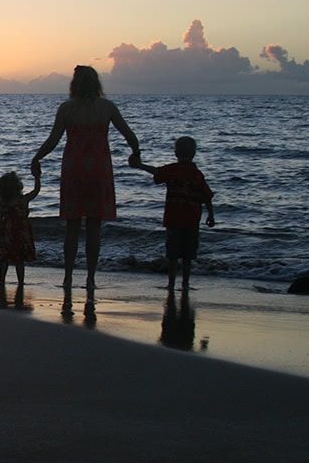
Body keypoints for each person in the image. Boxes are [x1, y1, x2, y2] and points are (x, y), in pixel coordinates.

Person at [31, 65, 139, 304]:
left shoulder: (67, 109)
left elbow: (53, 140)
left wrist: (37, 157)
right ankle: (90, 278)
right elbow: (129, 135)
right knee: (94, 228)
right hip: (99, 170)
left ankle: (68, 277)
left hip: (74, 169)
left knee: (71, 227)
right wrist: (136, 154)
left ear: (74, 84)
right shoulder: (107, 108)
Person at [130, 136, 215, 291]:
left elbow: (156, 171)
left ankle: (171, 283)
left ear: (176, 153)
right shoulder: (197, 174)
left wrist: (139, 165)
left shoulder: (172, 170)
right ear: (194, 153)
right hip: (191, 221)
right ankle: (186, 283)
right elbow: (207, 197)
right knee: (188, 256)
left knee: (173, 255)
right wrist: (211, 215)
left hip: (174, 220)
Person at [0, 170, 41, 286]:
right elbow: (36, 191)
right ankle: (20, 282)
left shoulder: (4, 202)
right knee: (19, 260)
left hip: (6, 233)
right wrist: (37, 178)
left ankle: (2, 280)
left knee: (4, 259)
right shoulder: (23, 200)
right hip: (20, 233)